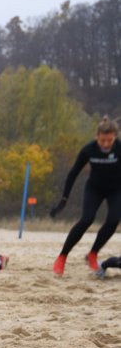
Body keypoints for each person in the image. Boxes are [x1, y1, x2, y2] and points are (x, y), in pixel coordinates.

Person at [50, 117, 121, 277]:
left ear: (115, 137)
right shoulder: (88, 150)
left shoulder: (119, 149)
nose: (105, 144)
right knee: (86, 219)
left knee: (113, 220)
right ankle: (62, 257)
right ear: (97, 136)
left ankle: (93, 254)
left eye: (109, 140)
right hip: (94, 188)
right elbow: (73, 173)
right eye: (102, 140)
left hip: (116, 190)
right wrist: (64, 199)